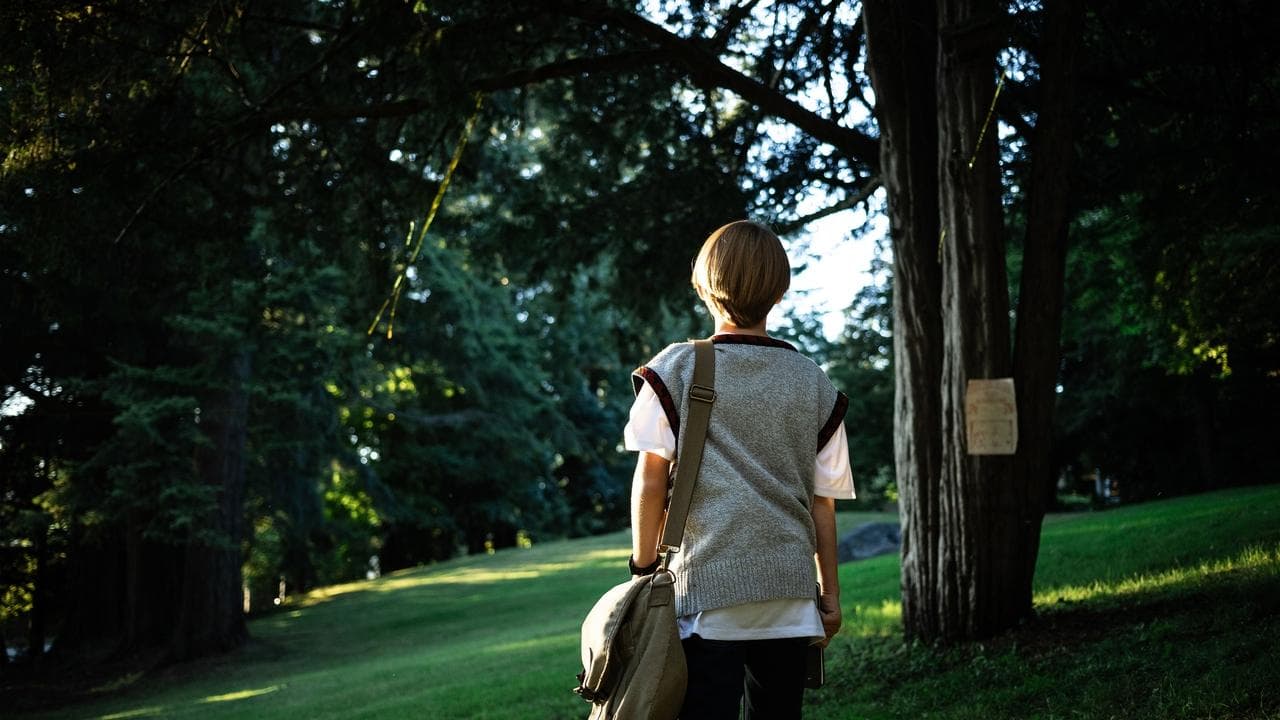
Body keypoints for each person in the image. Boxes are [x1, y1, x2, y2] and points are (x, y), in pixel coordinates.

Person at [623, 220, 855, 719]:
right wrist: (829, 596)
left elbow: (650, 478)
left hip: (706, 596)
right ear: (780, 291)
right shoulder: (813, 381)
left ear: (703, 287)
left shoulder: (675, 369)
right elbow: (823, 502)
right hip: (790, 597)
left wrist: (644, 568)